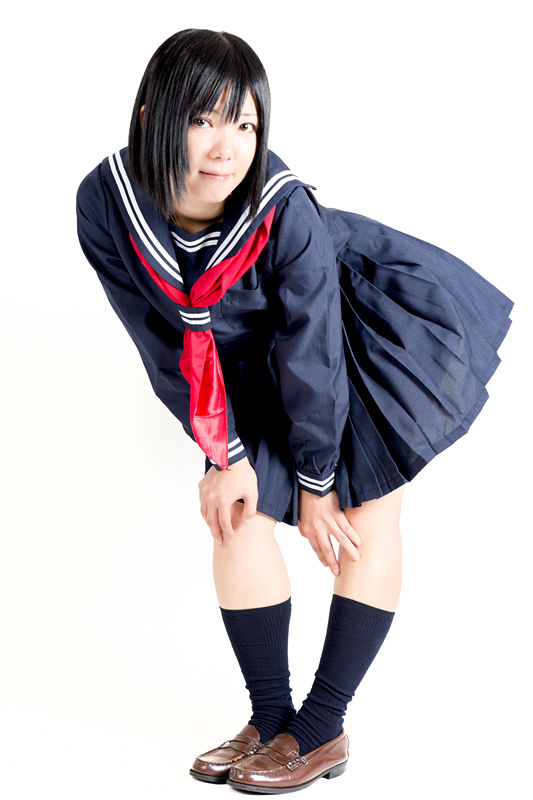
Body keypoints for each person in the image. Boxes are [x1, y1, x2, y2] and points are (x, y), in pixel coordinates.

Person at [76, 29, 512, 794]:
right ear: (151, 118)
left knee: (361, 520)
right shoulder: (107, 202)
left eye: (245, 124)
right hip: (236, 362)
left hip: (355, 333)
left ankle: (321, 727)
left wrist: (316, 481)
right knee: (235, 516)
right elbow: (161, 342)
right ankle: (271, 719)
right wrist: (223, 453)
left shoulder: (283, 210)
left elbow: (311, 350)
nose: (227, 147)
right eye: (203, 119)